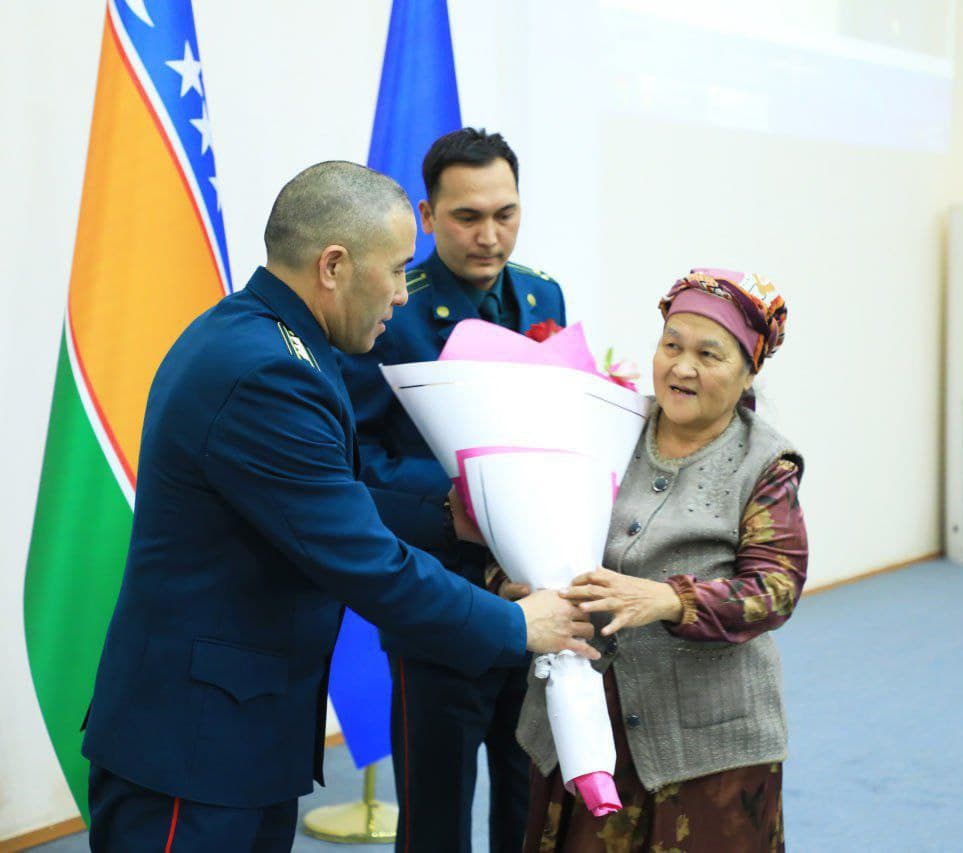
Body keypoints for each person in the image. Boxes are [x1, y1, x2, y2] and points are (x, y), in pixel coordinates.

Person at [80, 161, 597, 852]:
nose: (400, 294)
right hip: (194, 749)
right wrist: (513, 624)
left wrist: (449, 519)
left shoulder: (271, 339)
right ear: (333, 265)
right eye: (393, 269)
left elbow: (329, 494)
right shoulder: (267, 371)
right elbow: (366, 561)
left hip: (235, 731)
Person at [518, 269, 808, 852]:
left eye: (709, 353)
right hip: (587, 721)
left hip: (707, 744)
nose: (681, 367)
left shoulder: (764, 463)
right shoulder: (607, 424)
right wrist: (518, 589)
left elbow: (777, 585)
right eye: (671, 345)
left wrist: (672, 599)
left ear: (750, 368)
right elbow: (527, 529)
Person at [339, 128, 566, 853]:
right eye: (468, 216)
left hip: (533, 589)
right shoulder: (394, 309)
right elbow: (357, 457)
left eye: (506, 212)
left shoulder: (540, 292)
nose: (490, 234)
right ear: (428, 216)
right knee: (436, 815)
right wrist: (459, 500)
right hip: (437, 591)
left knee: (528, 802)